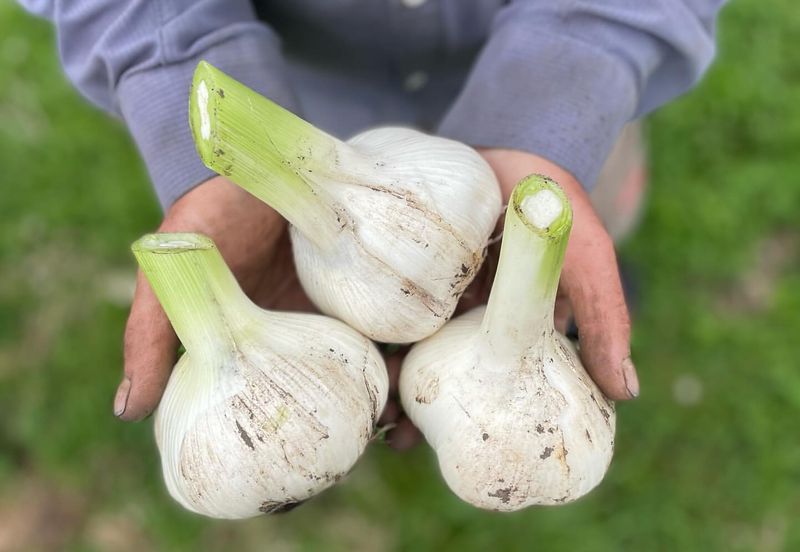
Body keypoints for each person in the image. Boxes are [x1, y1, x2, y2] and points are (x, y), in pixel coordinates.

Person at [21, 0, 724, 448]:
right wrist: (177, 63)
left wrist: (558, 101)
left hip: (566, 103)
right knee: (552, 221)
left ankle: (558, 279)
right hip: (300, 101)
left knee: (580, 216)